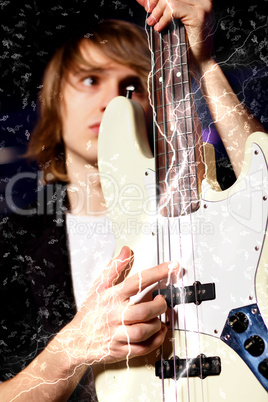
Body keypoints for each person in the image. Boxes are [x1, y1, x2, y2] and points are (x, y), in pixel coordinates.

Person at [0, 1, 266, 401]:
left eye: (131, 86)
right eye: (90, 79)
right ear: (54, 99)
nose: (111, 97)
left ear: (154, 104)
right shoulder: (13, 251)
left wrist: (203, 63)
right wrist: (74, 347)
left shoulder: (210, 208)